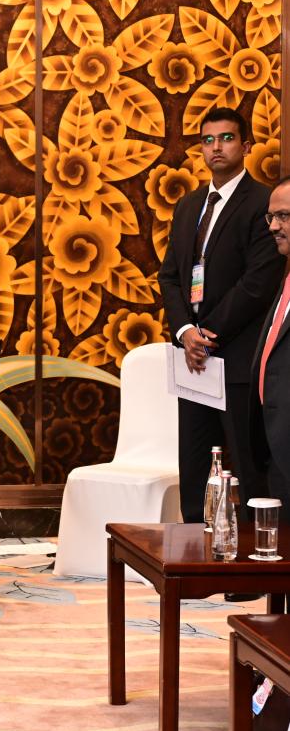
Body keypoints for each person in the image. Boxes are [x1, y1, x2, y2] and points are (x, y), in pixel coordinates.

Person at [157, 106, 282, 523]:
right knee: (194, 466)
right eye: (208, 140)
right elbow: (170, 276)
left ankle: (250, 557)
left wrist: (207, 333)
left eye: (227, 138)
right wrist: (185, 332)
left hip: (239, 358)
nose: (216, 147)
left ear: (246, 146)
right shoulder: (189, 205)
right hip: (193, 359)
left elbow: (258, 283)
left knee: (248, 466)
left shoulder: (264, 202)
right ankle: (194, 552)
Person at [252, 176, 290, 502]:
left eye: (284, 216)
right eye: (271, 217)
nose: (274, 226)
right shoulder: (286, 279)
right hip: (276, 445)